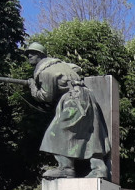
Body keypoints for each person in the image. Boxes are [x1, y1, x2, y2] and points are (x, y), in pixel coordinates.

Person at [26, 42, 111, 179]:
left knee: (54, 135)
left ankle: (66, 168)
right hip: (87, 97)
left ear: (41, 55)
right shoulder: (61, 65)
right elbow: (76, 68)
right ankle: (99, 169)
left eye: (33, 53)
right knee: (90, 134)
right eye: (28, 54)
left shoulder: (46, 72)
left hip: (73, 101)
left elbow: (46, 96)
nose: (29, 55)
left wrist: (32, 87)